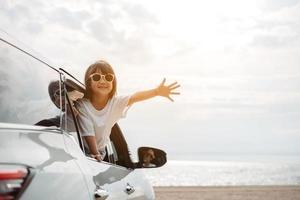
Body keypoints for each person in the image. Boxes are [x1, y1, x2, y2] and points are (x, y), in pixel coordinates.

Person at [76, 60, 180, 161]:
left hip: (97, 156)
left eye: (108, 77)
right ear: (89, 82)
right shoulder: (82, 104)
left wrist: (156, 91)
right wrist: (95, 154)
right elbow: (88, 131)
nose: (103, 81)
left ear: (113, 82)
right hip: (81, 154)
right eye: (96, 77)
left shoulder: (116, 103)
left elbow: (134, 97)